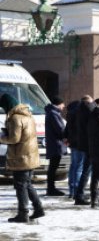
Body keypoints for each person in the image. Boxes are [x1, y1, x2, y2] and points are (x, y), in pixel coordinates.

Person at [0, 94, 44, 222]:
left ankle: (23, 213)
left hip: (21, 156)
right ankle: (38, 209)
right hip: (29, 155)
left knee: (20, 185)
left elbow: (14, 139)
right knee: (27, 184)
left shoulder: (15, 118)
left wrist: (2, 138)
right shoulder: (27, 116)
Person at [73, 95, 99, 205]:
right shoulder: (90, 109)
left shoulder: (79, 110)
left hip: (84, 144)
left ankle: (79, 195)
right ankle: (80, 195)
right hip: (91, 144)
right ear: (89, 101)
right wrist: (94, 105)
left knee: (85, 169)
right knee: (87, 171)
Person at [44, 95, 67, 196]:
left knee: (53, 167)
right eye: (62, 104)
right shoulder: (54, 114)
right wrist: (67, 135)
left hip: (54, 143)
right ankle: (51, 189)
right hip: (56, 144)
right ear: (59, 104)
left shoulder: (52, 113)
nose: (63, 106)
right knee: (53, 167)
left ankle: (51, 188)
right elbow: (60, 129)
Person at [64, 98, 83, 198]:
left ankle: (72, 189)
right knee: (79, 167)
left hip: (73, 143)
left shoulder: (70, 115)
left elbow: (66, 129)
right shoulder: (79, 115)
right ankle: (76, 191)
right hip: (80, 143)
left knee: (73, 166)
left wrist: (67, 138)